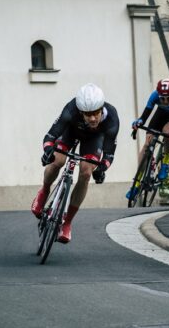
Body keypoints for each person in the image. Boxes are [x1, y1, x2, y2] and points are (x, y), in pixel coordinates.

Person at [30, 83, 119, 243]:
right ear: (80, 111)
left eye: (95, 113)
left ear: (101, 108)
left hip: (93, 139)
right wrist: (48, 150)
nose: (92, 118)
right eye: (87, 114)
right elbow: (51, 135)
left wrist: (102, 168)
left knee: (86, 172)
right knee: (58, 160)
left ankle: (67, 223)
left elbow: (109, 152)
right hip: (70, 132)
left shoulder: (111, 117)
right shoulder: (71, 109)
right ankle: (44, 191)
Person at [127, 78, 169, 199]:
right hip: (161, 114)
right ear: (158, 95)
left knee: (168, 131)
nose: (165, 101)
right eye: (162, 99)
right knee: (147, 143)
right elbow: (145, 116)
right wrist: (139, 122)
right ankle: (136, 183)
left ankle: (165, 162)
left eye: (168, 98)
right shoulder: (154, 95)